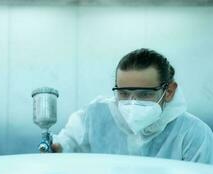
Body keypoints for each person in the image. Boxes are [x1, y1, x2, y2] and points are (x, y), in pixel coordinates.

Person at [51, 48, 213, 164]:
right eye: (124, 93)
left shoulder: (192, 134)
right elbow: (67, 144)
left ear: (169, 91)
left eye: (144, 94)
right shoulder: (96, 116)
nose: (132, 102)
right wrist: (57, 148)